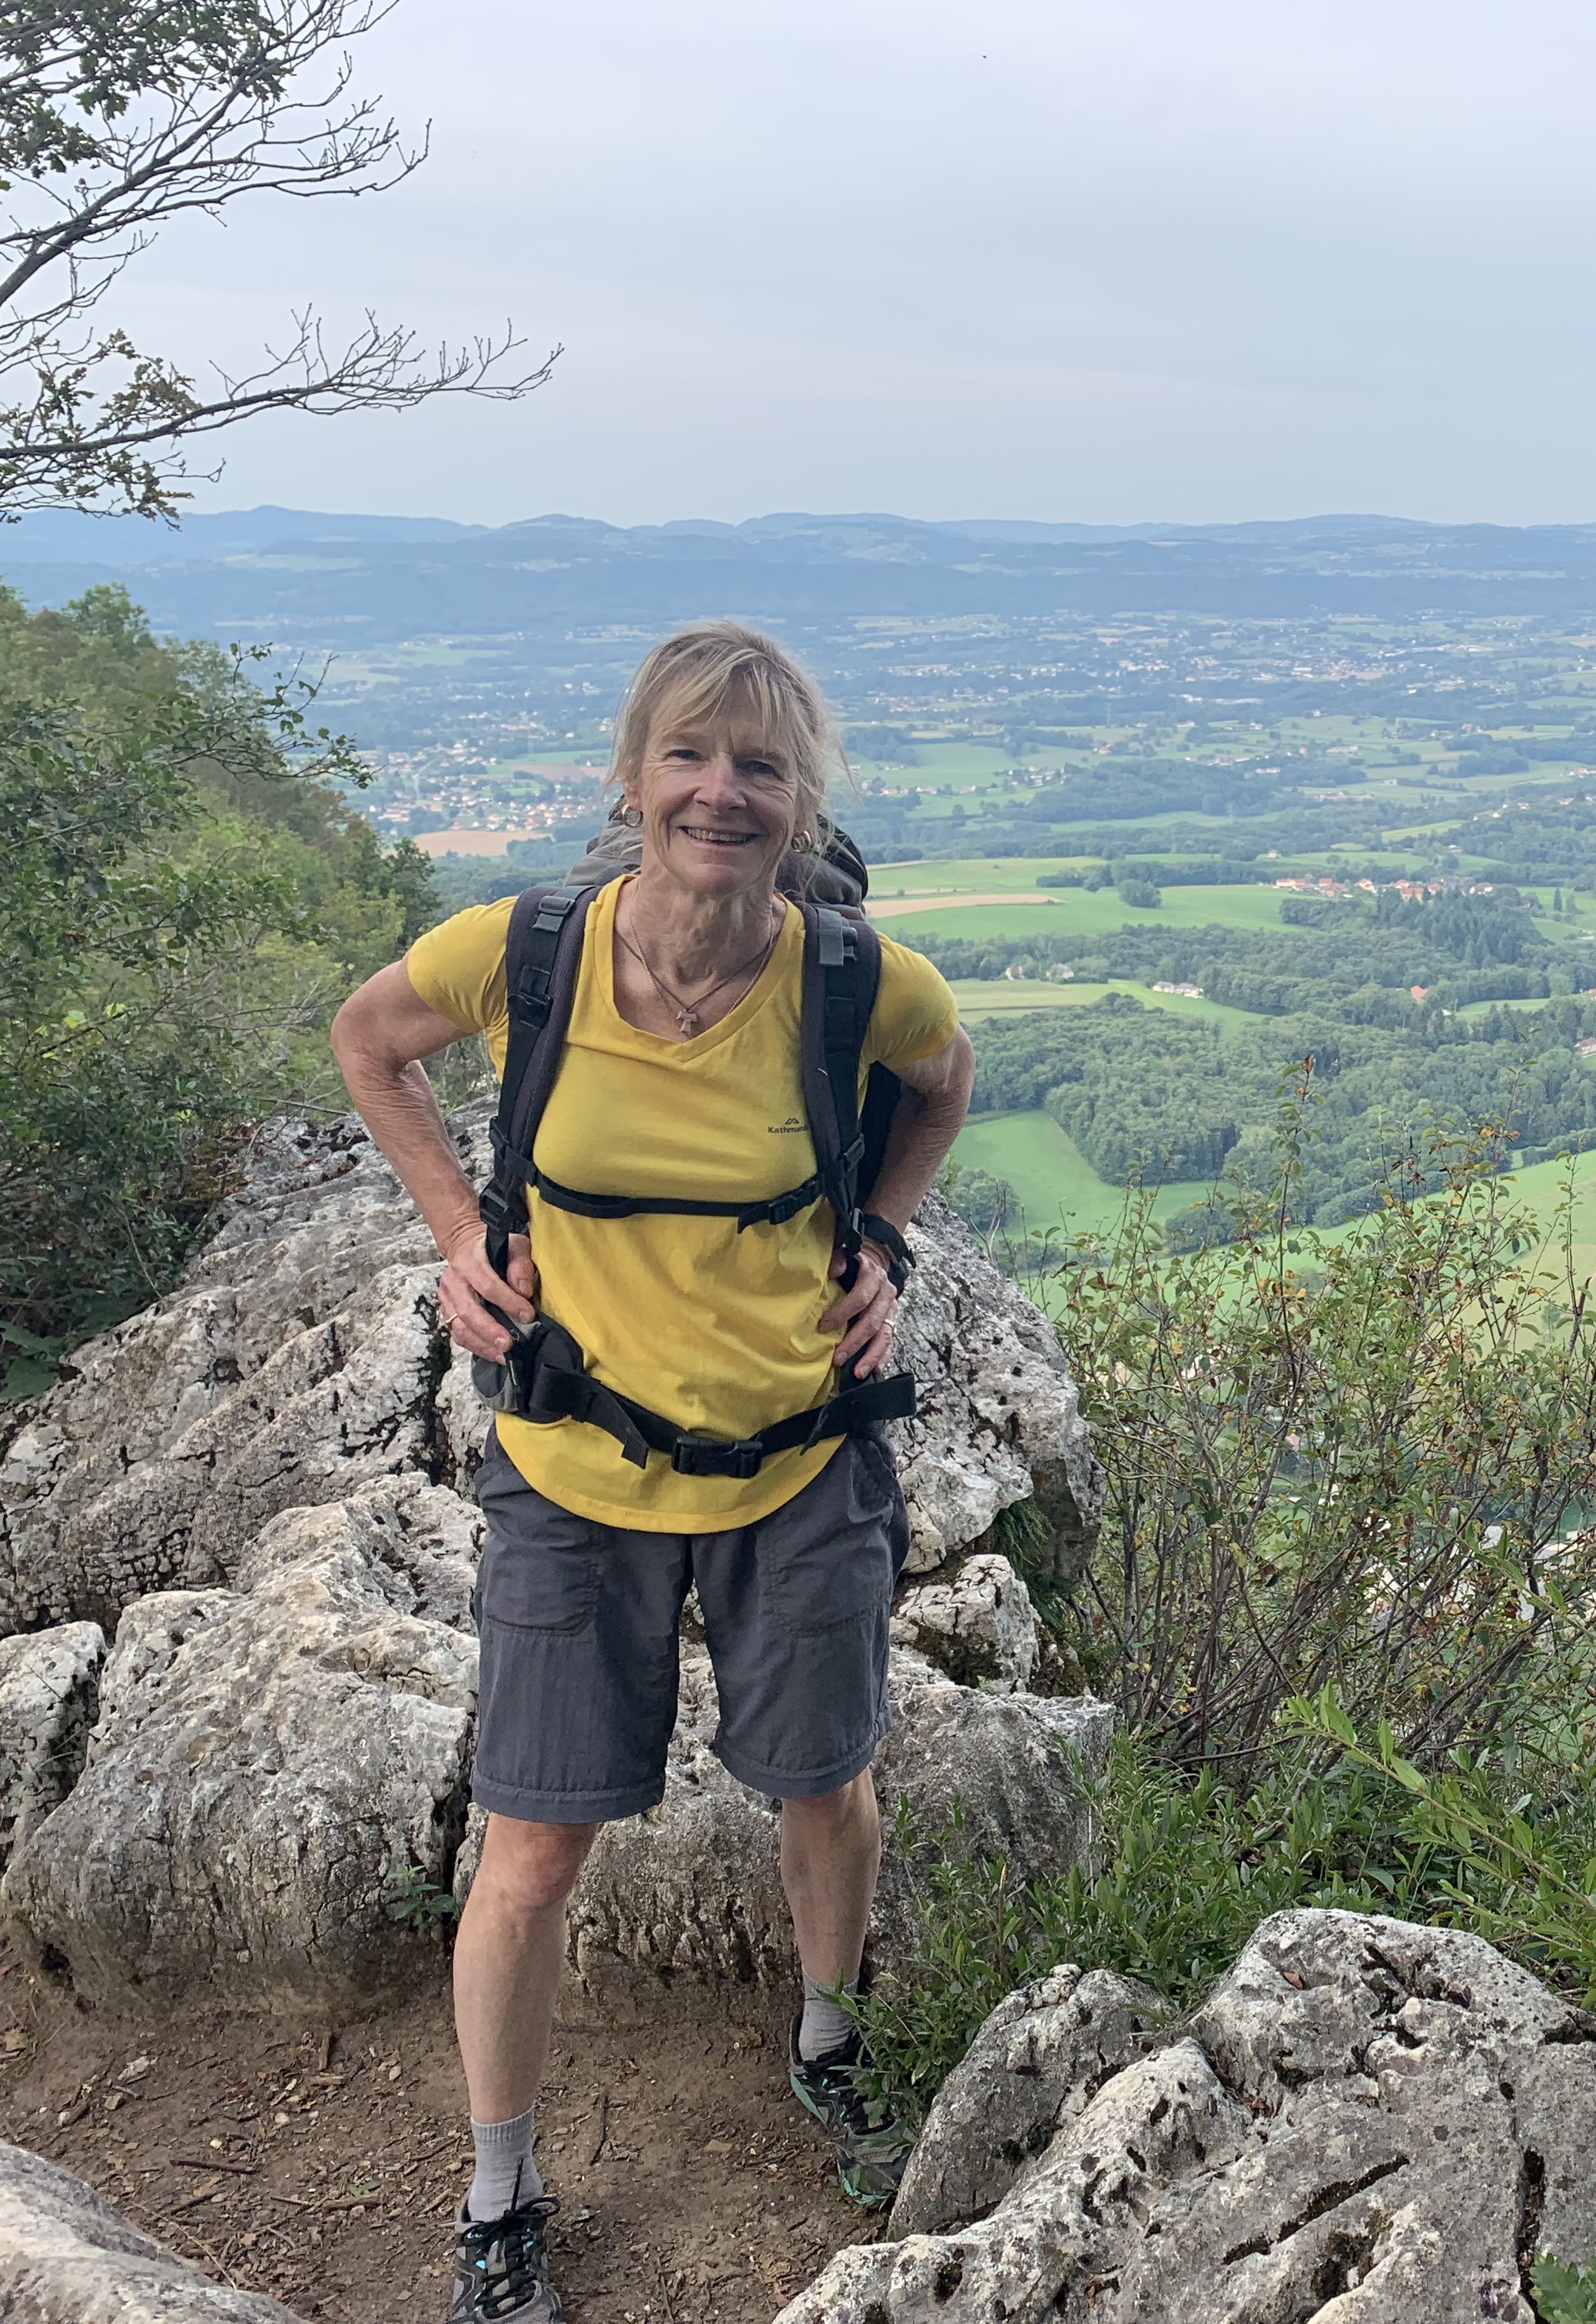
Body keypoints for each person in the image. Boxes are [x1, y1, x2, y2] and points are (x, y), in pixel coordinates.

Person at [331, 621, 972, 2324]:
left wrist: (884, 1241)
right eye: (689, 756)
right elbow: (368, 1041)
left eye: (760, 766)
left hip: (798, 1458)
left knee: (822, 1782)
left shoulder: (855, 981)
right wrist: (458, 1231)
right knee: (532, 1850)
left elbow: (943, 1086)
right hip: (573, 1463)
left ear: (800, 800)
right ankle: (499, 2189)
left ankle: (828, 2041)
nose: (720, 792)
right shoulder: (524, 954)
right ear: (632, 780)